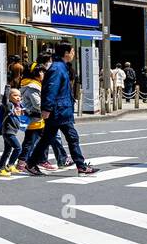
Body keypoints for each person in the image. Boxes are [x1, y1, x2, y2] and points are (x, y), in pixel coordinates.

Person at [25, 43, 95, 175]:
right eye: (72, 51)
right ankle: (81, 166)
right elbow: (51, 88)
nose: (74, 54)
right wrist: (47, 108)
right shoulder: (57, 68)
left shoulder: (61, 67)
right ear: (66, 53)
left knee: (48, 138)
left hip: (62, 110)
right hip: (59, 111)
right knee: (71, 137)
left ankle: (31, 163)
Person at [0, 87, 25, 177]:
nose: (18, 97)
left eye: (19, 96)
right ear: (9, 96)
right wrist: (7, 88)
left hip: (11, 131)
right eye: (15, 95)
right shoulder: (8, 105)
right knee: (18, 148)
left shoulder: (18, 106)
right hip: (8, 132)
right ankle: (8, 165)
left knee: (7, 151)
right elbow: (4, 101)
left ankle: (3, 167)